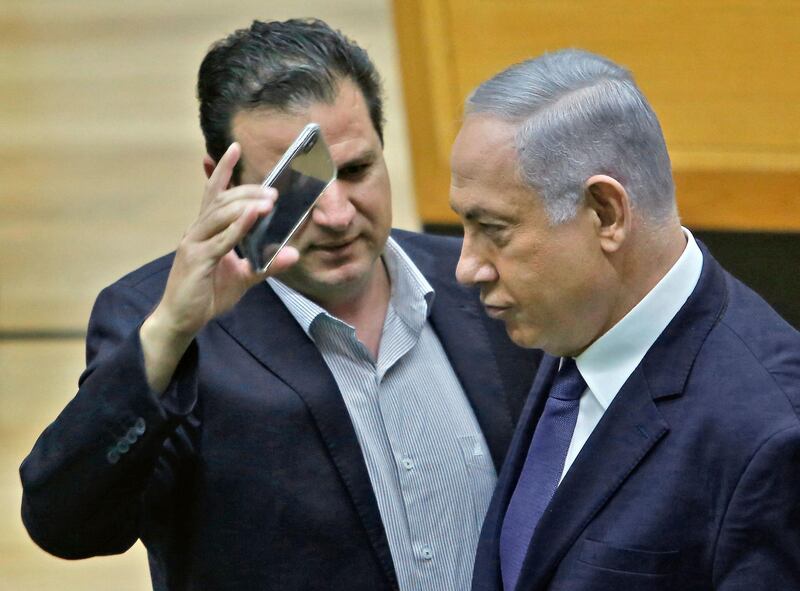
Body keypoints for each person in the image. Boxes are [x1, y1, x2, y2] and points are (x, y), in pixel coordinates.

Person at [20, 19, 540, 591]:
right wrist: (170, 333)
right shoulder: (157, 324)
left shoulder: (481, 278)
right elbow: (68, 526)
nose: (337, 214)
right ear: (222, 183)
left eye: (357, 170)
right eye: (298, 186)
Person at [450, 49, 800, 590]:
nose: (466, 268)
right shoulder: (573, 326)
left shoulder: (771, 436)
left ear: (606, 213)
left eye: (493, 229)